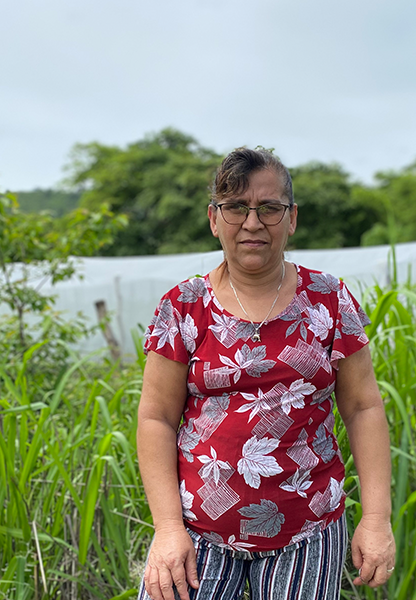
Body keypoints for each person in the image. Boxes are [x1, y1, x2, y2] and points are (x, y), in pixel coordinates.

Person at [137, 147, 395, 600]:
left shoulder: (328, 299)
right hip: (197, 531)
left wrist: (376, 520)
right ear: (214, 219)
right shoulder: (183, 306)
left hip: (307, 528)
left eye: (269, 208)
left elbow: (363, 407)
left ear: (291, 218)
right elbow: (156, 418)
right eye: (236, 207)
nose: (252, 223)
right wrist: (167, 528)